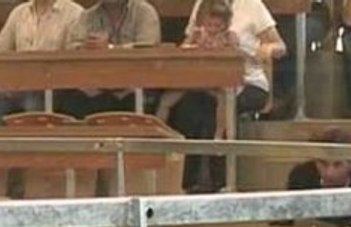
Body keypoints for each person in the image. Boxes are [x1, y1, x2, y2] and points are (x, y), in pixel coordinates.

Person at [160, 0, 286, 192]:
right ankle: (186, 182)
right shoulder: (201, 4)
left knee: (220, 106)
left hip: (248, 81)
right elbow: (188, 43)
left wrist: (265, 50)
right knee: (187, 109)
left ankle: (222, 182)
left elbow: (279, 46)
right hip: (205, 79)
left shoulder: (252, 5)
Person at [0, 0, 84, 125]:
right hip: (17, 84)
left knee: (33, 101)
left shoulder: (74, 13)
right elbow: (0, 51)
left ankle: (37, 144)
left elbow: (75, 59)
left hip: (55, 86)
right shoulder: (19, 12)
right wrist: (3, 83)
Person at [58, 0, 162, 119]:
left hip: (135, 87)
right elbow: (72, 49)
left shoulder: (145, 12)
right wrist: (85, 48)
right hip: (96, 86)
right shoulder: (87, 16)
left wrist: (111, 48)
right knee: (71, 103)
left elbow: (148, 48)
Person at [157, 0, 237, 143]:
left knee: (223, 98)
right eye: (209, 25)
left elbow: (236, 53)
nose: (212, 29)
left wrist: (223, 47)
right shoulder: (196, 34)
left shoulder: (229, 36)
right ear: (202, 22)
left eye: (217, 26)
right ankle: (160, 134)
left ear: (226, 24)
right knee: (165, 101)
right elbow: (182, 50)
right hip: (193, 79)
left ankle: (219, 135)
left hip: (214, 81)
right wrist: (191, 45)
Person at [285, 127, 351, 227]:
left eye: (337, 164)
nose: (329, 173)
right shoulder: (301, 176)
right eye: (322, 163)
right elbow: (284, 222)